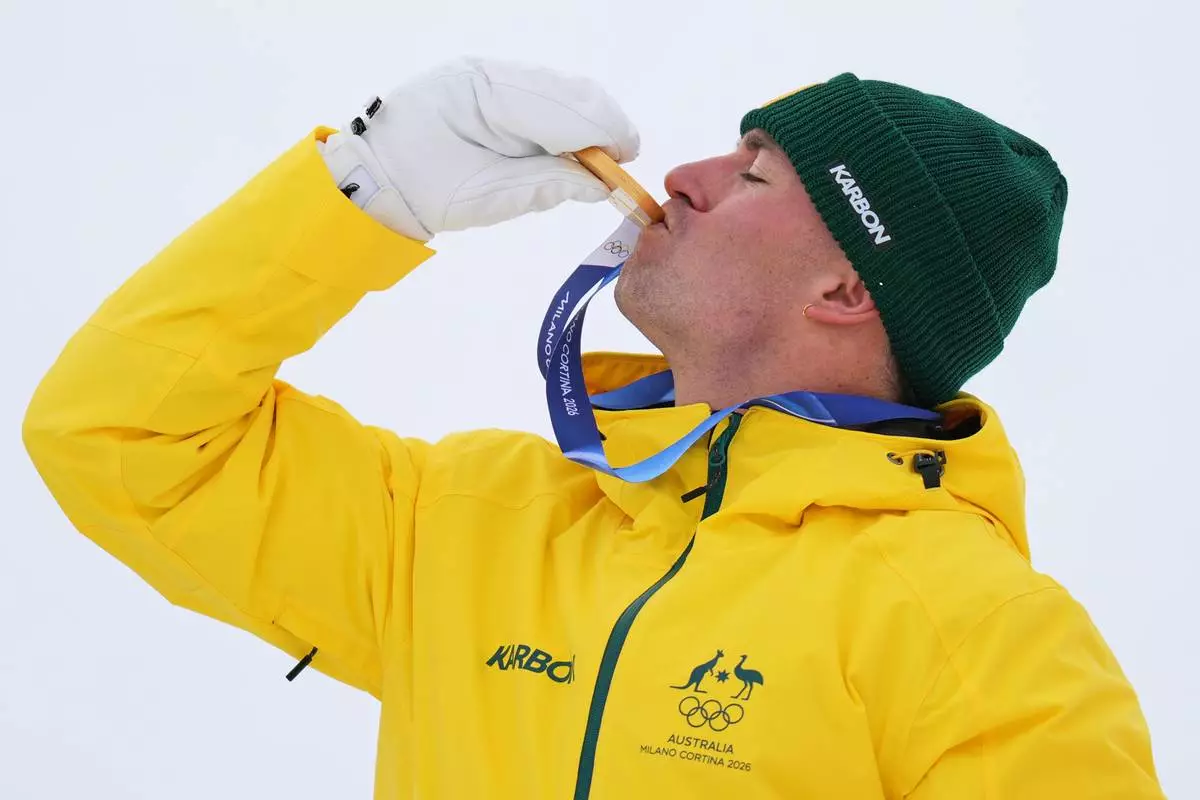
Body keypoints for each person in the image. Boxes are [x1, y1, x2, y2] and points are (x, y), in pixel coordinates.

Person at [22, 57, 1164, 799]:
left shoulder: (982, 632)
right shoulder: (472, 525)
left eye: (756, 171)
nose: (687, 176)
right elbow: (120, 434)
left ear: (847, 290)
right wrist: (367, 189)